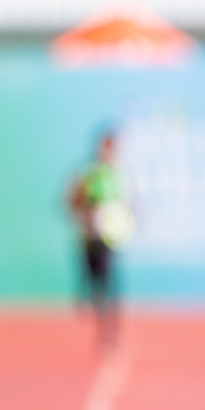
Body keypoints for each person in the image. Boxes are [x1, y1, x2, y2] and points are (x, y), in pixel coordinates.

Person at [67, 130, 131, 347]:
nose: (110, 151)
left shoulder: (119, 174)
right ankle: (93, 305)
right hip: (91, 237)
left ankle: (109, 330)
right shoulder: (89, 173)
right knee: (96, 284)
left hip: (110, 238)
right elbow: (72, 200)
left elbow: (127, 202)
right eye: (107, 146)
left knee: (110, 283)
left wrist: (129, 217)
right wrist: (88, 213)